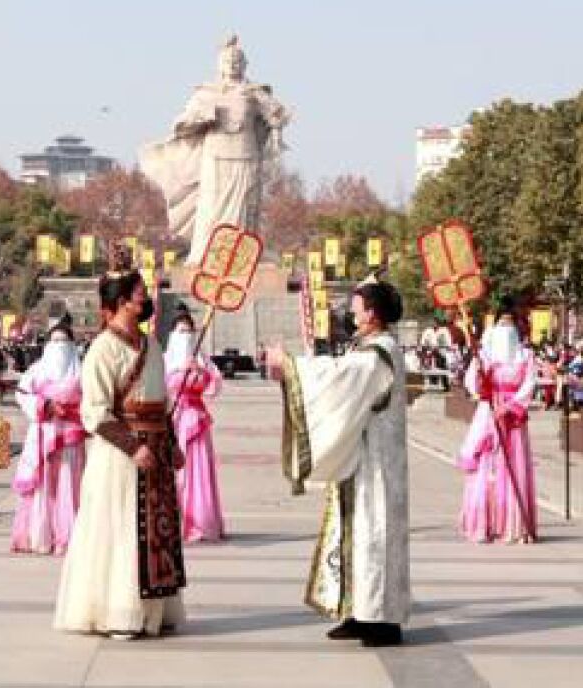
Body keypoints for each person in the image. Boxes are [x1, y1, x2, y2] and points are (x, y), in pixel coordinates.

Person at [267, 275, 410, 648]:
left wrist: (291, 366)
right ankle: (355, 610)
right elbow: (339, 377)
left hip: (378, 466)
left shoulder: (380, 352)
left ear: (373, 314)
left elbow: (338, 378)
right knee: (353, 536)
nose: (351, 312)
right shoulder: (366, 348)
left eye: (357, 307)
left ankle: (381, 619)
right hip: (359, 459)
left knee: (373, 538)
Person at [54, 250, 186, 639]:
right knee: (122, 528)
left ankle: (154, 612)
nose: (145, 298)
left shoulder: (153, 347)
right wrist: (132, 447)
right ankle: (120, 612)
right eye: (139, 292)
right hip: (120, 455)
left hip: (157, 449)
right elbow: (93, 412)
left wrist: (172, 443)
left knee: (156, 533)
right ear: (121, 301)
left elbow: (162, 402)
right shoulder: (102, 349)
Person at [141, 34, 291, 265]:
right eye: (228, 61)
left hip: (246, 155)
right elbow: (180, 125)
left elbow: (278, 114)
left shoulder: (253, 93)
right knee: (212, 207)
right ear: (220, 65)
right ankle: (206, 253)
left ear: (245, 65)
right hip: (216, 158)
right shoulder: (206, 94)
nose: (233, 65)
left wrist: (275, 126)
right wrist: (202, 117)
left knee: (246, 205)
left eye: (238, 61)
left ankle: (243, 256)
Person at [457, 305, 538, 544]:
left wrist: (511, 405)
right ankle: (485, 522)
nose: (506, 327)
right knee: (486, 466)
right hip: (488, 414)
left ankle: (513, 524)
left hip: (513, 417)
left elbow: (529, 385)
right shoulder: (485, 356)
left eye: (510, 323)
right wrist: (482, 383)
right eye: (501, 322)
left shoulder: (525, 357)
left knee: (514, 464)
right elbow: (471, 383)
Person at [10, 324, 86, 554]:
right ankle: (40, 534)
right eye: (54, 341)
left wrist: (73, 411)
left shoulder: (81, 371)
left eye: (63, 341)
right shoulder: (36, 370)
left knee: (69, 484)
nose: (59, 346)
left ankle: (69, 535)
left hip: (70, 435)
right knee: (42, 485)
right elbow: (22, 396)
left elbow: (93, 400)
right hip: (43, 433)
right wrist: (44, 406)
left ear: (72, 345)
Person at [165, 309, 225, 542]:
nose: (186, 335)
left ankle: (200, 521)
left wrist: (199, 371)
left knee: (197, 471)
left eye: (190, 331)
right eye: (181, 331)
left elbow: (215, 386)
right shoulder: (164, 359)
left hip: (196, 419)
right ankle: (175, 520)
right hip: (174, 419)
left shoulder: (202, 360)